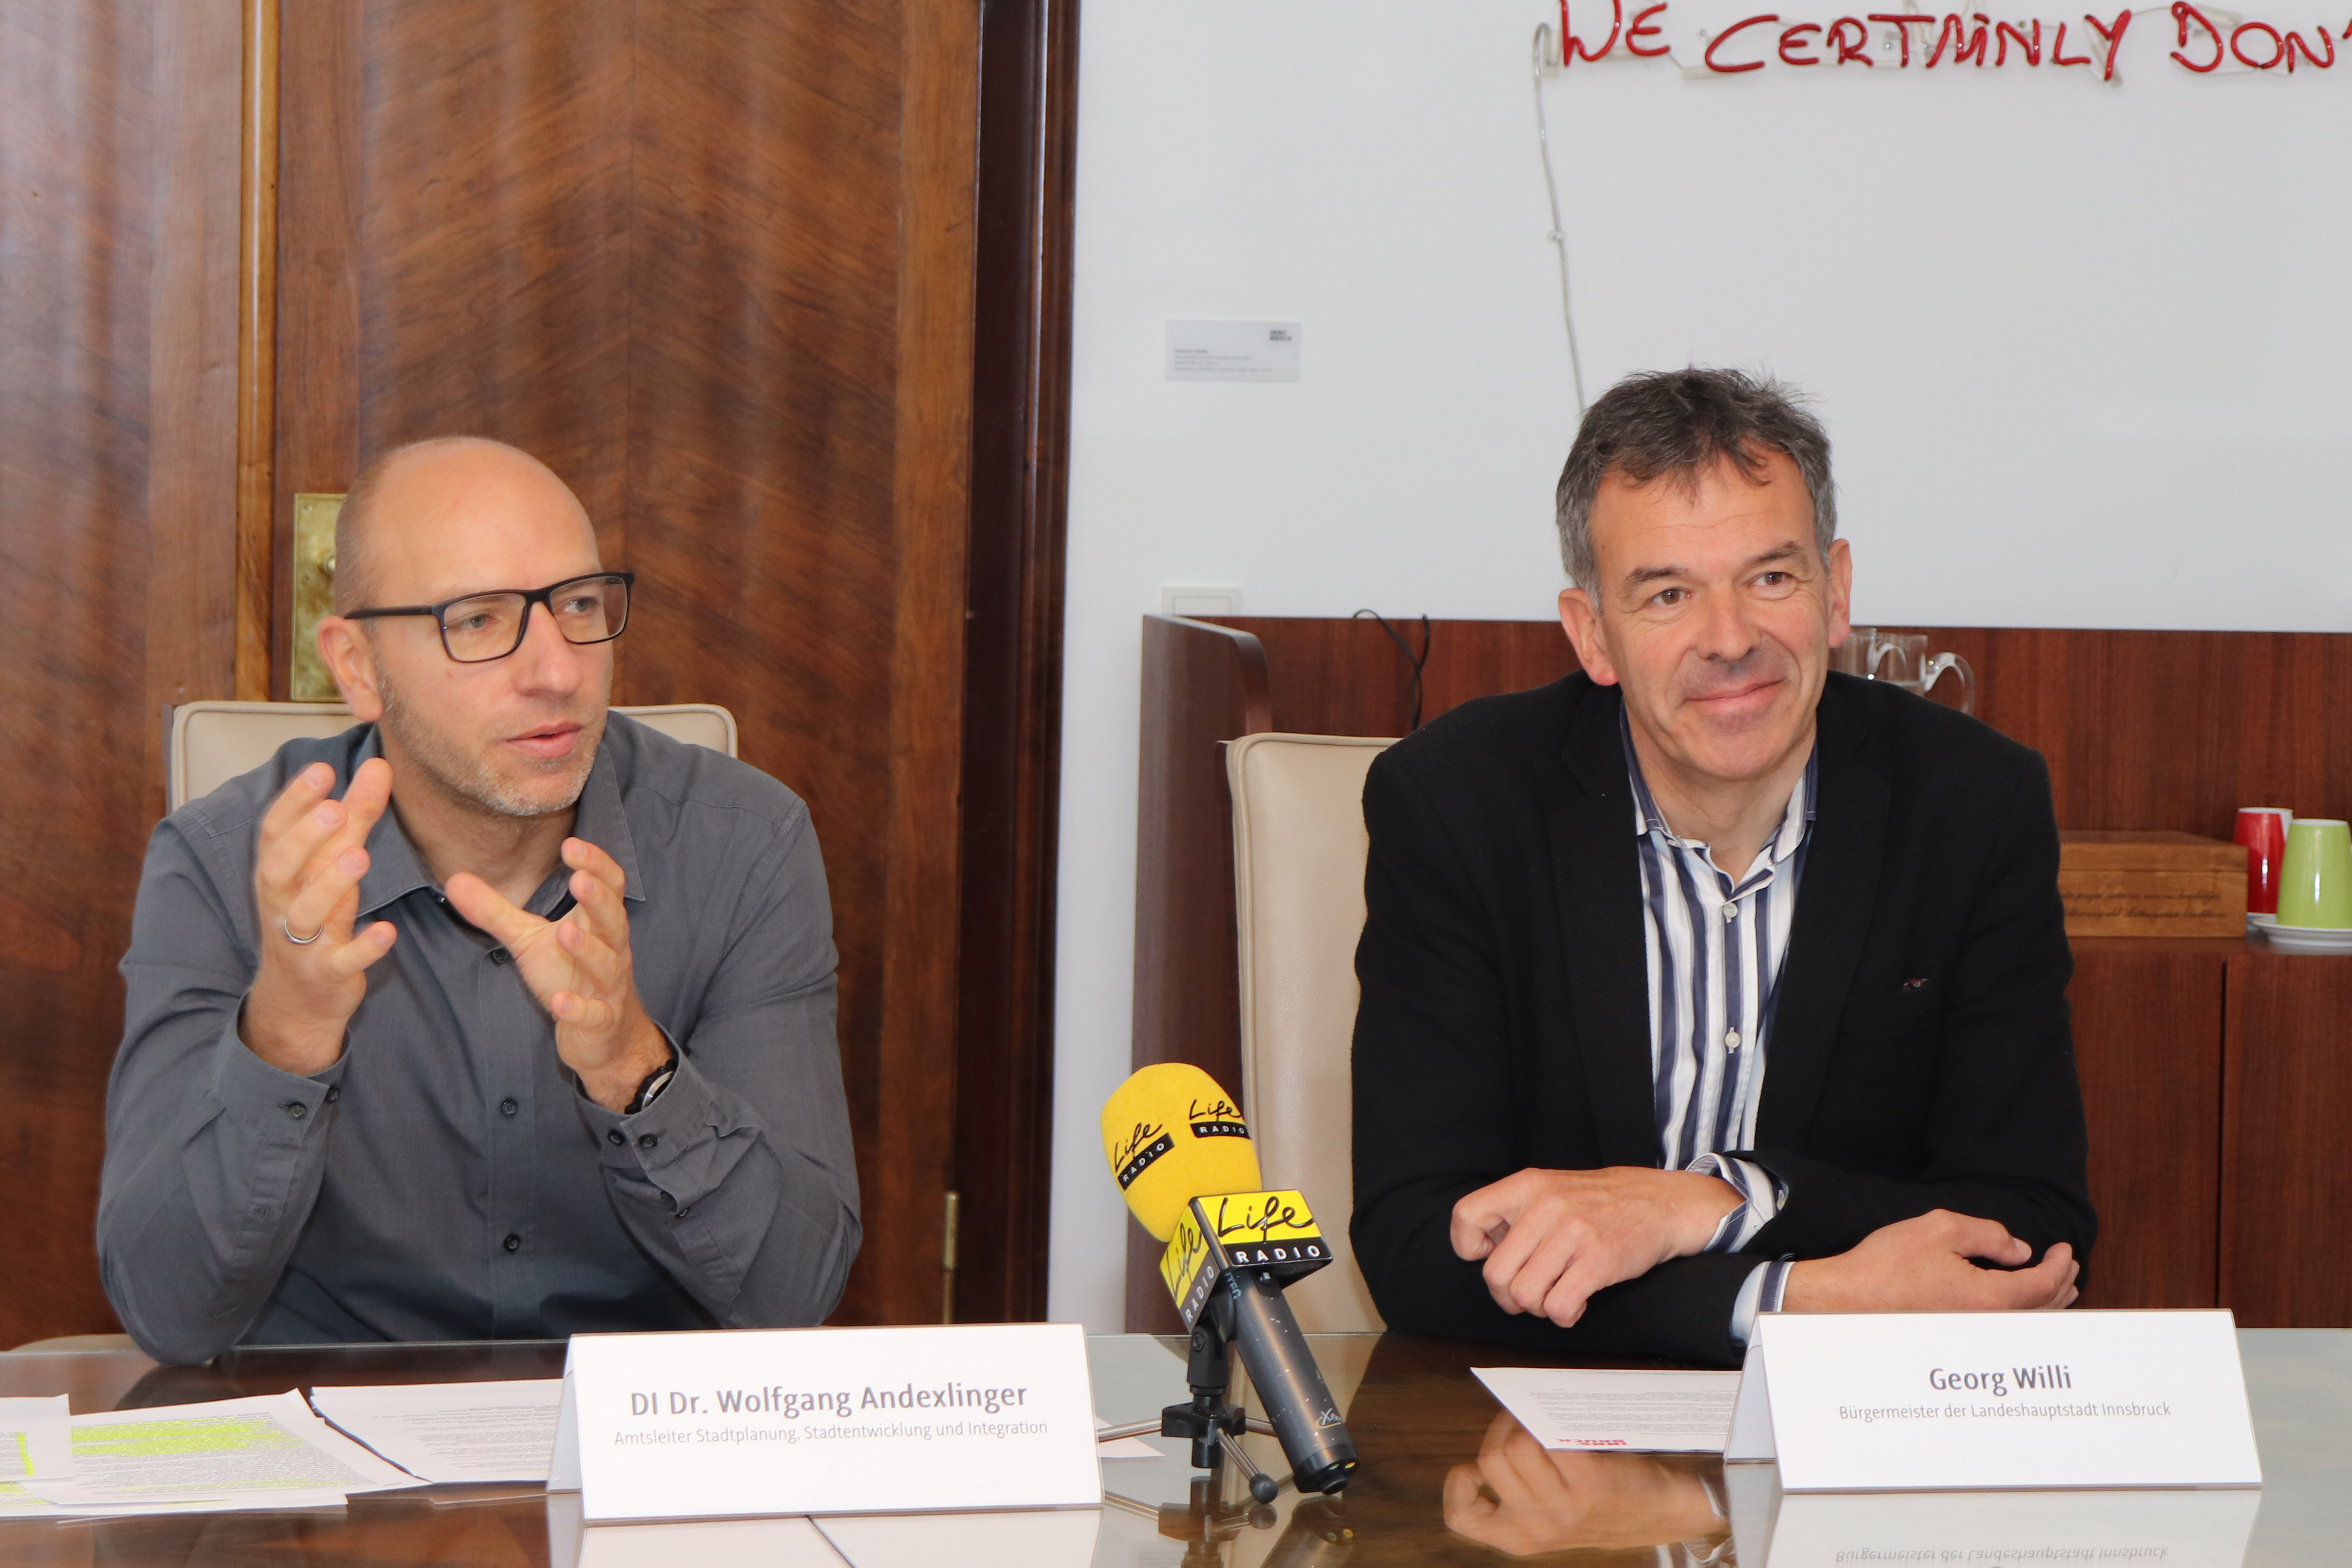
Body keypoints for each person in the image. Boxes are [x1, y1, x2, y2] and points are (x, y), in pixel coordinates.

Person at [1350, 368, 2094, 1366]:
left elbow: (2031, 1228)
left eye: (1772, 578)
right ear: (1592, 635)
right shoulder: (1456, 808)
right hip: (1543, 1470)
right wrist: (1798, 1296)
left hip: (1862, 1446)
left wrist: (1703, 1207)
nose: (1732, 639)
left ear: (1837, 592)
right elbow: (1416, 1245)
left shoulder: (1972, 806)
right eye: (1667, 594)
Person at [101, 437, 860, 1363]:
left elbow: (794, 1296)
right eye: (479, 619)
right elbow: (170, 1314)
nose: (556, 669)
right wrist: (288, 1033)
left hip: (638, 1444)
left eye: (579, 605)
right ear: (358, 665)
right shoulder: (224, 863)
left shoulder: (743, 842)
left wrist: (633, 1065)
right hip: (336, 1444)